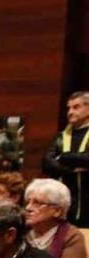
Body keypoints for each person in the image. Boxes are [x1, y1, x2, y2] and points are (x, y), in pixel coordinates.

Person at [25, 178, 87, 258]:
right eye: (28, 202)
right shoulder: (21, 231)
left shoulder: (71, 235)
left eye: (37, 203)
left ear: (57, 211)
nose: (28, 208)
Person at [43, 91, 89, 227]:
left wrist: (63, 157)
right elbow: (47, 164)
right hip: (64, 201)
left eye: (76, 107)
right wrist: (73, 169)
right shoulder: (61, 136)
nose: (70, 112)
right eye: (68, 108)